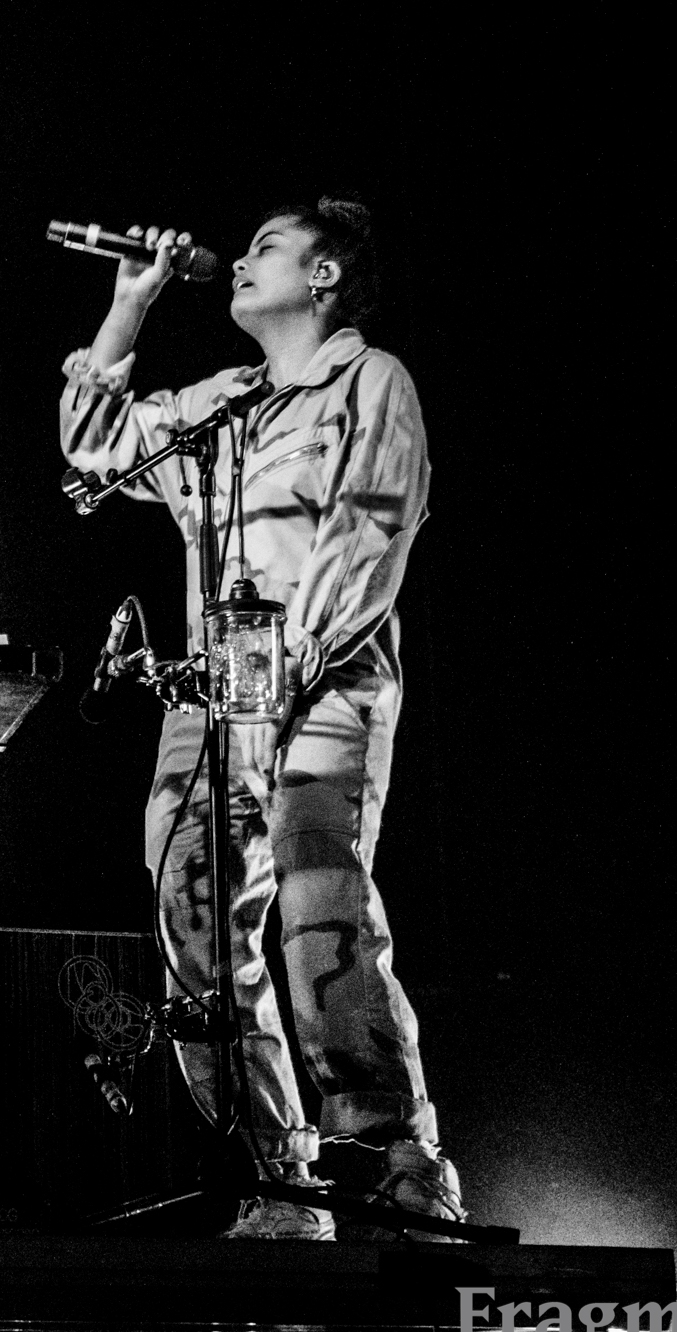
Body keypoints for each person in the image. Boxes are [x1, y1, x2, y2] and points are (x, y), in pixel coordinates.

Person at [58, 199, 462, 1241]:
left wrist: (278, 671)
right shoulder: (224, 404)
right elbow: (93, 446)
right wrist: (128, 304)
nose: (237, 260)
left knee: (320, 910)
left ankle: (396, 1158)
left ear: (323, 275)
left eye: (266, 249)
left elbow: (371, 528)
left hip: (317, 685)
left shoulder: (370, 381)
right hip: (210, 703)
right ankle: (279, 1173)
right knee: (190, 924)